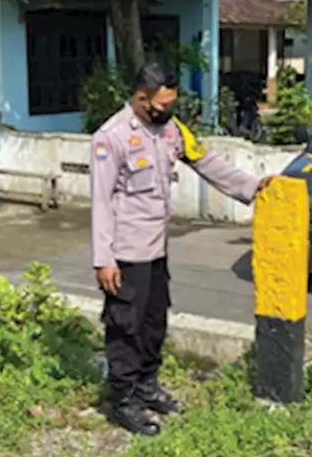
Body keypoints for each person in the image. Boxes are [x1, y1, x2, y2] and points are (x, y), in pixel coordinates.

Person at [90, 63, 274, 436]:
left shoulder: (171, 130)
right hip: (125, 252)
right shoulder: (111, 138)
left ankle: (147, 387)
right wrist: (103, 259)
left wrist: (253, 188)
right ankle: (123, 401)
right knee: (126, 327)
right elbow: (100, 202)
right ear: (142, 99)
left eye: (172, 103)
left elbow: (207, 161)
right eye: (161, 104)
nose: (168, 111)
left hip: (156, 249)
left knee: (154, 322)